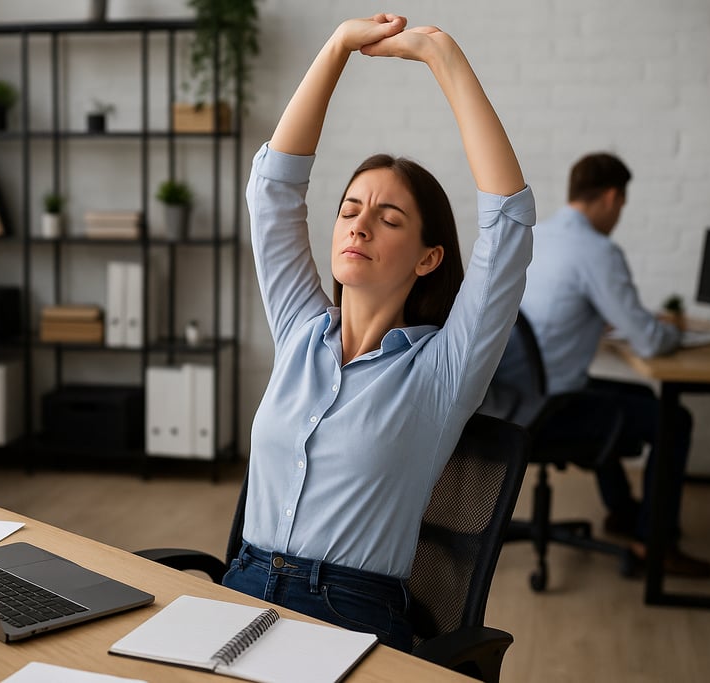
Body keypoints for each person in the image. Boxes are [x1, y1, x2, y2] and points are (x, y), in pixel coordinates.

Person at [222, 13, 534, 651]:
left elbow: (509, 226)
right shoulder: (300, 334)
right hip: (236, 587)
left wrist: (442, 56)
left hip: (349, 612)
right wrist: (336, 45)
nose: (359, 226)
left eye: (389, 218)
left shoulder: (442, 372)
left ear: (428, 258)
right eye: (349, 210)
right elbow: (272, 193)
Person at [518, 152, 710, 578]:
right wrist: (678, 332)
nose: (619, 215)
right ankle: (654, 546)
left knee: (639, 397)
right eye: (621, 206)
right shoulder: (597, 249)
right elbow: (647, 341)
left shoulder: (541, 236)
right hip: (552, 410)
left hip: (516, 399)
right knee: (674, 420)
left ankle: (624, 513)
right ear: (611, 197)